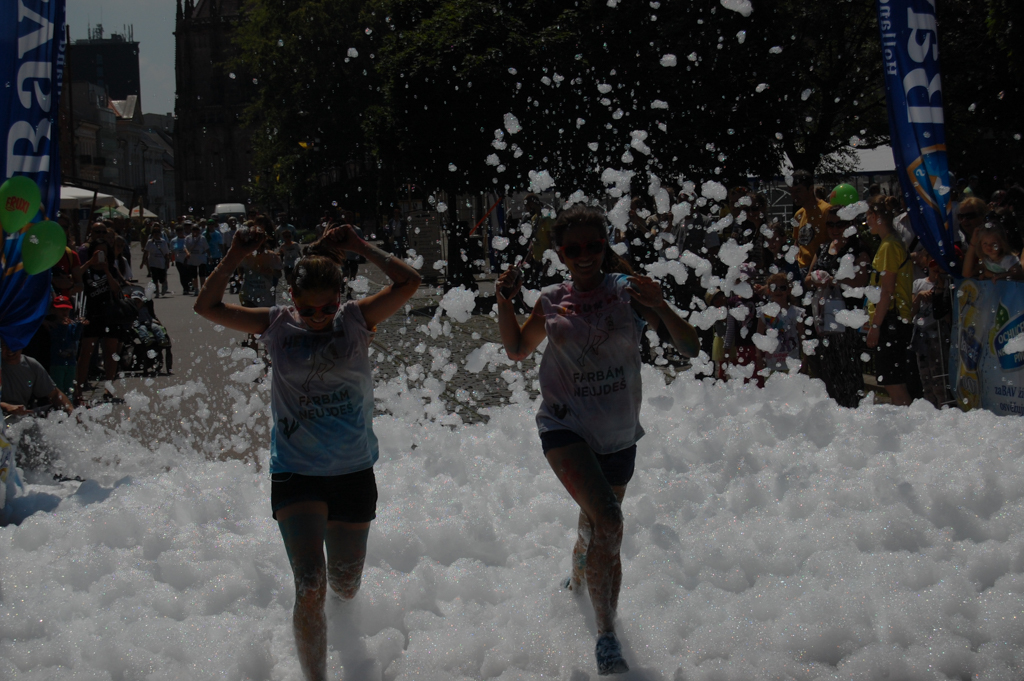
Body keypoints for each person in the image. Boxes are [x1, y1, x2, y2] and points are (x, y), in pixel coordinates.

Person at [194, 222, 421, 681]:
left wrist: (360, 245)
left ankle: (342, 622)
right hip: (295, 472)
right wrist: (235, 254)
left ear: (340, 296)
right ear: (292, 298)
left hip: (353, 471)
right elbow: (207, 307)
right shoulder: (276, 323)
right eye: (307, 307)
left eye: (327, 306)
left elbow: (409, 282)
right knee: (311, 584)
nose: (318, 316)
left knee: (344, 585)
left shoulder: (356, 319)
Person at [494, 205, 699, 675]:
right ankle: (606, 636)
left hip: (619, 433)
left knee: (594, 525)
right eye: (574, 249)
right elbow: (517, 350)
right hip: (563, 426)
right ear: (560, 253)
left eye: (593, 245)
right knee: (610, 520)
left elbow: (689, 347)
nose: (584, 255)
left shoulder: (628, 292)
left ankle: (578, 580)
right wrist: (504, 301)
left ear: (606, 246)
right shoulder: (551, 299)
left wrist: (661, 305)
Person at [803, 206, 871, 407]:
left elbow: (862, 281)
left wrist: (835, 280)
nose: (834, 229)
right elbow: (807, 279)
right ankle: (832, 409)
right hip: (822, 319)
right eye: (830, 224)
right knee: (825, 371)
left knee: (847, 371)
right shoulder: (823, 248)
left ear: (850, 224)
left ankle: (852, 409)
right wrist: (817, 279)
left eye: (839, 224)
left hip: (846, 320)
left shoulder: (858, 249)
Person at [865, 196, 915, 406]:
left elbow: (887, 291)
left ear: (876, 216)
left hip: (892, 321)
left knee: (894, 383)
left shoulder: (889, 246)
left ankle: (908, 422)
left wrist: (876, 326)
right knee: (891, 381)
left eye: (868, 216)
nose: (866, 221)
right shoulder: (890, 243)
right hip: (892, 320)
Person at [74, 240, 129, 403]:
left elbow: (116, 289)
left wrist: (106, 270)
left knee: (110, 352)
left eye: (103, 252)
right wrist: (89, 263)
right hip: (91, 315)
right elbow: (75, 277)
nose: (100, 255)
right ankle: (78, 389)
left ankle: (108, 387)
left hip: (109, 314)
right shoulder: (86, 269)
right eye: (97, 252)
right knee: (86, 353)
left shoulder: (111, 268)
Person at [1, 342, 74, 417]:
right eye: (4, 345)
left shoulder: (30, 364)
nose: (10, 349)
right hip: (3, 416)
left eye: (13, 344)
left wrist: (72, 413)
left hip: (23, 415)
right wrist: (6, 407)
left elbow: (55, 394)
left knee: (57, 411)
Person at [756, 273, 804, 375]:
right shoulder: (764, 312)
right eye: (774, 288)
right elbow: (759, 336)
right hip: (772, 364)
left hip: (792, 364)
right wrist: (758, 355)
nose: (778, 291)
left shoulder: (796, 312)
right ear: (769, 291)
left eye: (782, 288)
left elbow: (802, 337)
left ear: (789, 290)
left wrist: (805, 359)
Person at [789, 170, 833, 276]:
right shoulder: (798, 215)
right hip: (801, 269)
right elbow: (797, 242)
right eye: (791, 191)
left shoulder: (826, 211)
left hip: (820, 269)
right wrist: (796, 259)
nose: (794, 195)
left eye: (798, 191)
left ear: (810, 189)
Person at [45, 295, 84, 397]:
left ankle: (69, 404)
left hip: (70, 362)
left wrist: (80, 325)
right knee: (58, 387)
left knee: (69, 387)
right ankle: (59, 404)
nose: (64, 311)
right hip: (57, 362)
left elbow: (75, 337)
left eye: (66, 309)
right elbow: (58, 339)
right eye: (61, 309)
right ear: (54, 310)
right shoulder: (53, 325)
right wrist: (64, 327)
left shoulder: (71, 324)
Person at [143, 224, 171, 296]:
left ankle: (164, 284)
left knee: (162, 279)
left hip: (161, 263)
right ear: (152, 234)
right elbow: (146, 252)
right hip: (153, 263)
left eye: (158, 232)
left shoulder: (163, 241)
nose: (156, 234)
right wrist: (143, 262)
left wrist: (167, 262)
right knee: (154, 278)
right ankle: (157, 292)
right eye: (154, 232)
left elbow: (166, 253)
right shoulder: (150, 242)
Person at [185, 224, 210, 296]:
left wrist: (210, 256)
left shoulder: (202, 238)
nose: (195, 231)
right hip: (192, 259)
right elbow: (185, 247)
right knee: (194, 275)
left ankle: (202, 289)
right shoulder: (188, 238)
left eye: (196, 229)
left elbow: (206, 248)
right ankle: (196, 289)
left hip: (201, 258)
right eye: (193, 229)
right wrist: (187, 253)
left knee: (202, 275)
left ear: (199, 230)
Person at [172, 224, 191, 295]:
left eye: (181, 230)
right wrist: (171, 260)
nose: (179, 232)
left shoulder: (187, 239)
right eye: (178, 230)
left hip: (188, 260)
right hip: (179, 260)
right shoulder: (173, 241)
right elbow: (172, 251)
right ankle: (185, 288)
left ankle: (189, 286)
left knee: (188, 274)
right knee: (182, 274)